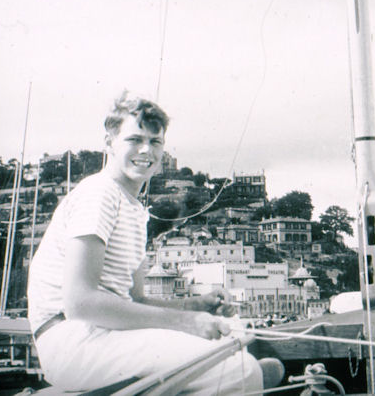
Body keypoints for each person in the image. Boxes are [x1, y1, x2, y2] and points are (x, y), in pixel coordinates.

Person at [27, 92, 281, 394]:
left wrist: (197, 306)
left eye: (155, 141)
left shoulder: (133, 209)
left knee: (234, 340)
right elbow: (80, 303)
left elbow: (135, 302)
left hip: (102, 334)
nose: (146, 150)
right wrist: (187, 323)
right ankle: (244, 379)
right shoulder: (99, 195)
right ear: (109, 143)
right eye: (134, 139)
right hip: (72, 340)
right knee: (239, 369)